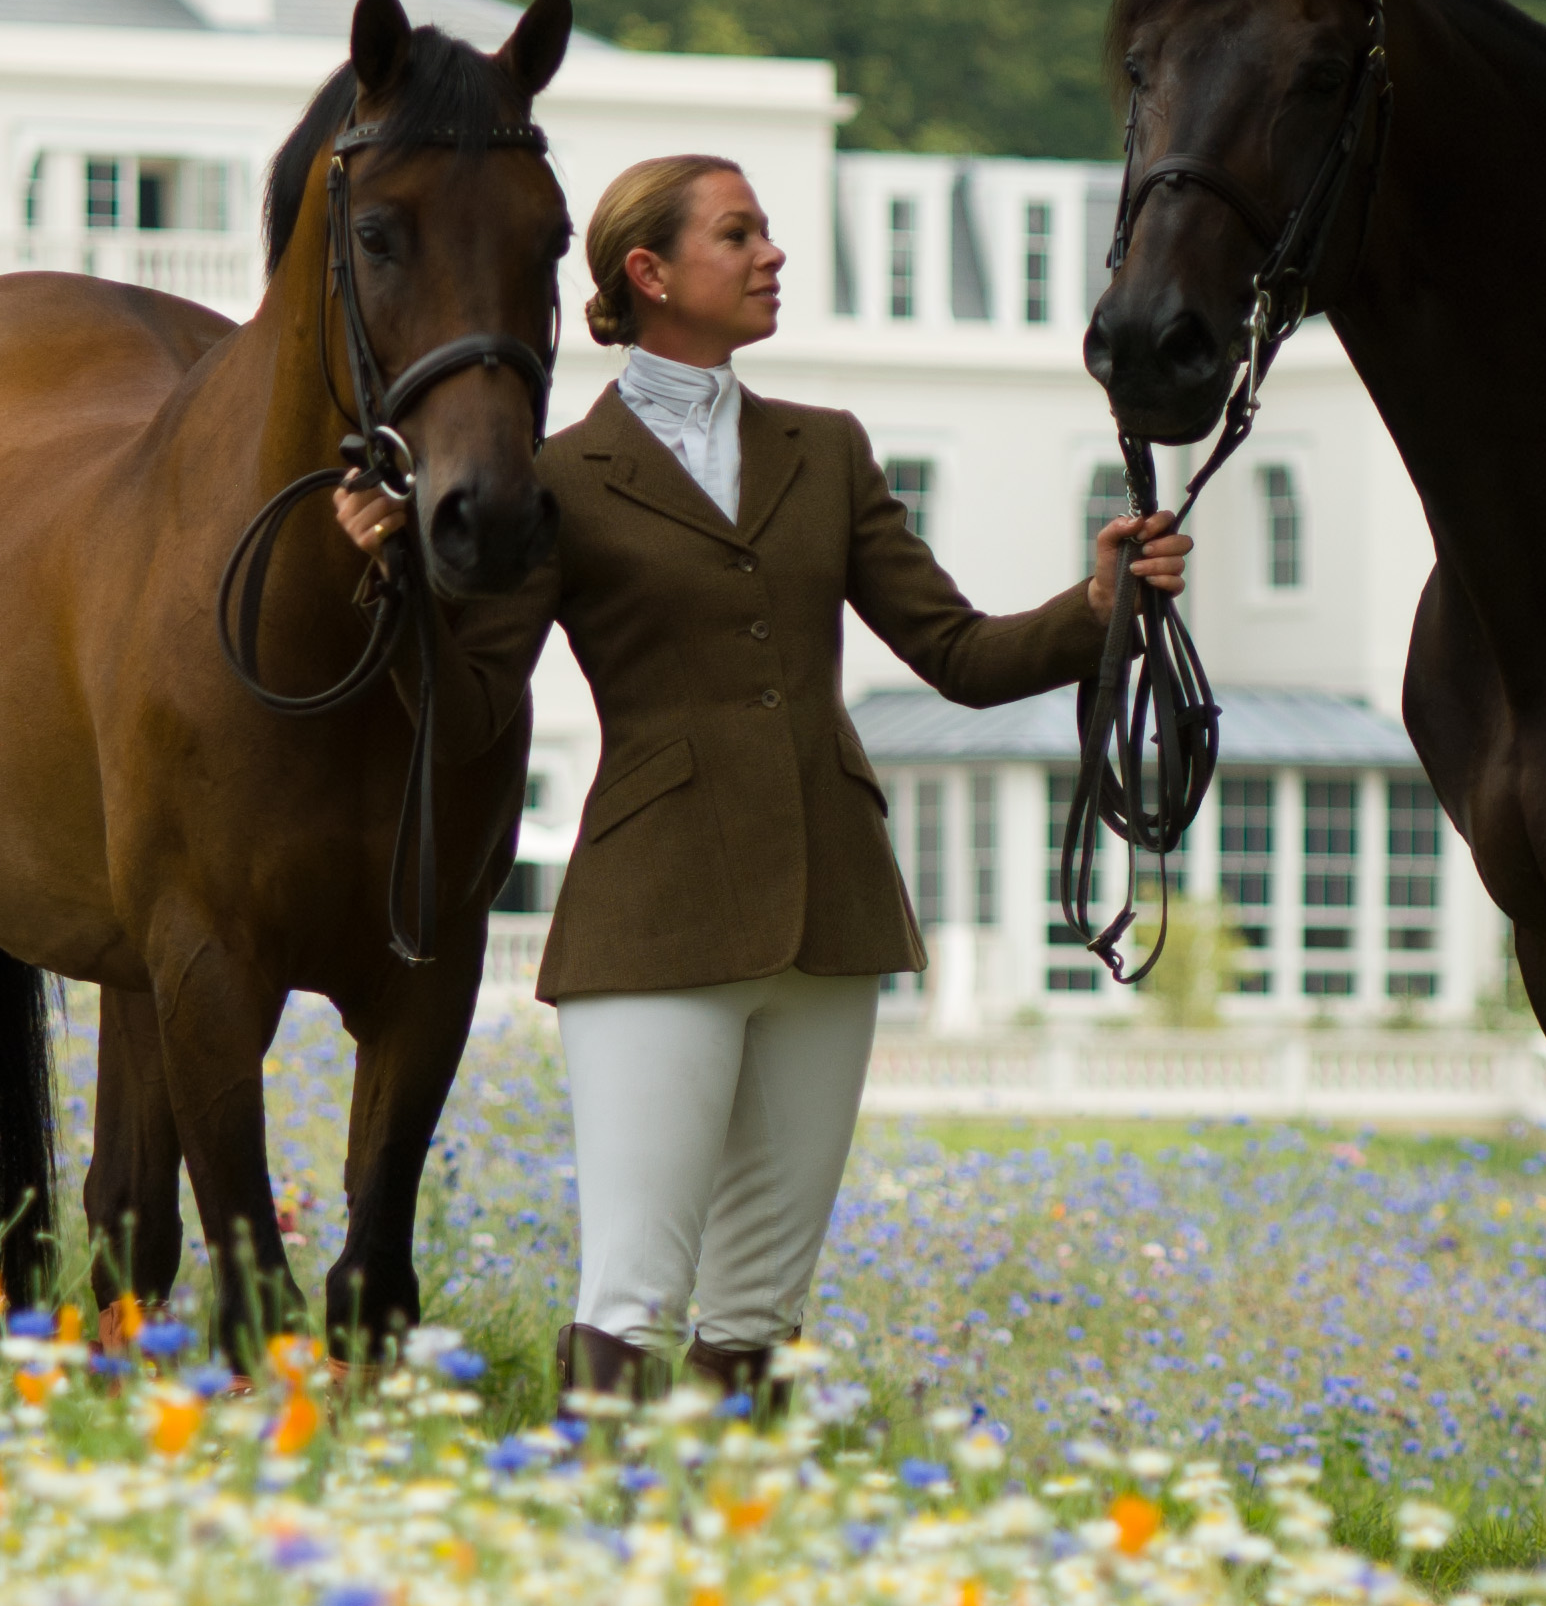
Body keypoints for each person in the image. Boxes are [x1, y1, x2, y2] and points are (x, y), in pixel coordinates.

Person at [341, 153, 1186, 1408]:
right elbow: (471, 710)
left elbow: (957, 655)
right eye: (739, 235)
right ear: (651, 273)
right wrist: (395, 590)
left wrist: (1096, 604)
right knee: (629, 1291)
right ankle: (610, 1552)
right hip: (654, 916)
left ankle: (733, 1553)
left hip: (833, 910)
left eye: (766, 233)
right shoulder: (559, 478)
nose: (771, 255)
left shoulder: (827, 450)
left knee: (758, 1307)